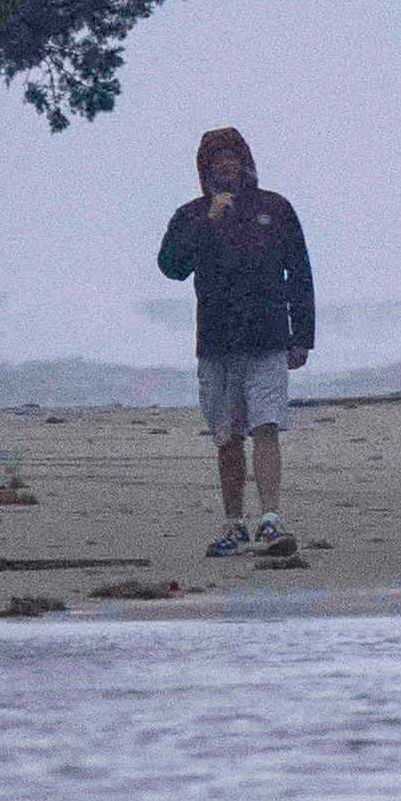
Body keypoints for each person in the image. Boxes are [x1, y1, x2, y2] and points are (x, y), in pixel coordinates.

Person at [154, 126, 314, 555]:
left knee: (266, 425)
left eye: (232, 156)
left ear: (245, 162)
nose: (225, 164)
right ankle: (233, 523)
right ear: (204, 168)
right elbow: (170, 266)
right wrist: (208, 223)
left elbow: (299, 273)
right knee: (226, 435)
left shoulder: (274, 208)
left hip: (267, 335)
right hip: (217, 340)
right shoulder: (191, 215)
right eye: (216, 158)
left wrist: (303, 336)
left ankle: (270, 519)